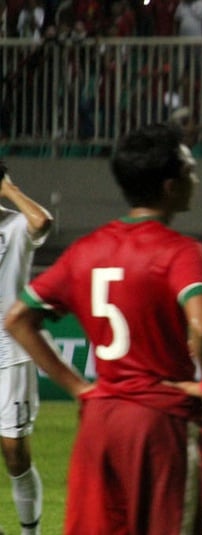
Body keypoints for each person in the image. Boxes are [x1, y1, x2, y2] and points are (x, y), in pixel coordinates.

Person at [4, 123, 202, 534]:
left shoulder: (86, 250)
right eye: (191, 170)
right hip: (159, 419)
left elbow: (17, 318)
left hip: (100, 422)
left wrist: (78, 389)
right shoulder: (182, 252)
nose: (196, 178)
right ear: (171, 185)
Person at [0, 162, 53, 535]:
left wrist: (9, 190)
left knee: (14, 452)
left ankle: (30, 533)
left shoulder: (16, 225)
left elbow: (42, 222)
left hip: (10, 354)